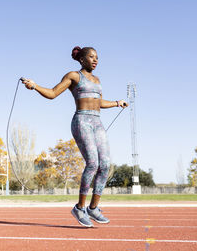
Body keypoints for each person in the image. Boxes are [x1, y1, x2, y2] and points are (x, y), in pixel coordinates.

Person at [22, 46, 128, 227]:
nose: (95, 60)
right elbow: (53, 93)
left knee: (105, 165)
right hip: (82, 121)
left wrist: (117, 103)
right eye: (91, 57)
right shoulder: (74, 76)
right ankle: (80, 208)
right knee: (93, 163)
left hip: (97, 122)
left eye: (97, 57)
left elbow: (99, 102)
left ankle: (93, 209)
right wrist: (35, 86)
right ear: (82, 59)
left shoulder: (97, 80)